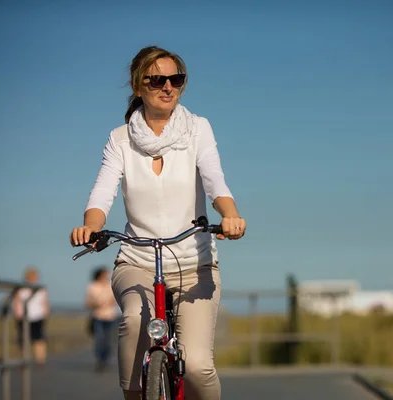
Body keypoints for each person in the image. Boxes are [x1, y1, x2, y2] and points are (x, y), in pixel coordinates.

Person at [69, 45, 246, 400]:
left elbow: (214, 181)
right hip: (137, 262)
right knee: (135, 320)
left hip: (196, 265)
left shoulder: (198, 129)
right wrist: (89, 225)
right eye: (157, 80)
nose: (168, 87)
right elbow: (103, 193)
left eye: (176, 79)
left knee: (196, 366)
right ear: (138, 87)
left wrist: (230, 216)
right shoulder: (120, 140)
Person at [12, 266, 50, 365]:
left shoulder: (41, 289)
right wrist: (17, 314)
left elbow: (45, 303)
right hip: (24, 317)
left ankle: (40, 359)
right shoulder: (21, 289)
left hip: (38, 316)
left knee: (39, 339)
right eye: (32, 276)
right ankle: (23, 360)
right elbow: (16, 302)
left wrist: (46, 314)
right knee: (23, 340)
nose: (34, 278)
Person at [85, 266, 119, 372]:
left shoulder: (110, 286)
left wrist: (108, 301)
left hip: (110, 316)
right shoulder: (92, 286)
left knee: (108, 340)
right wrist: (96, 304)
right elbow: (88, 302)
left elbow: (115, 300)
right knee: (99, 340)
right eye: (105, 274)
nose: (107, 276)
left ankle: (105, 359)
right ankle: (99, 359)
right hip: (97, 316)